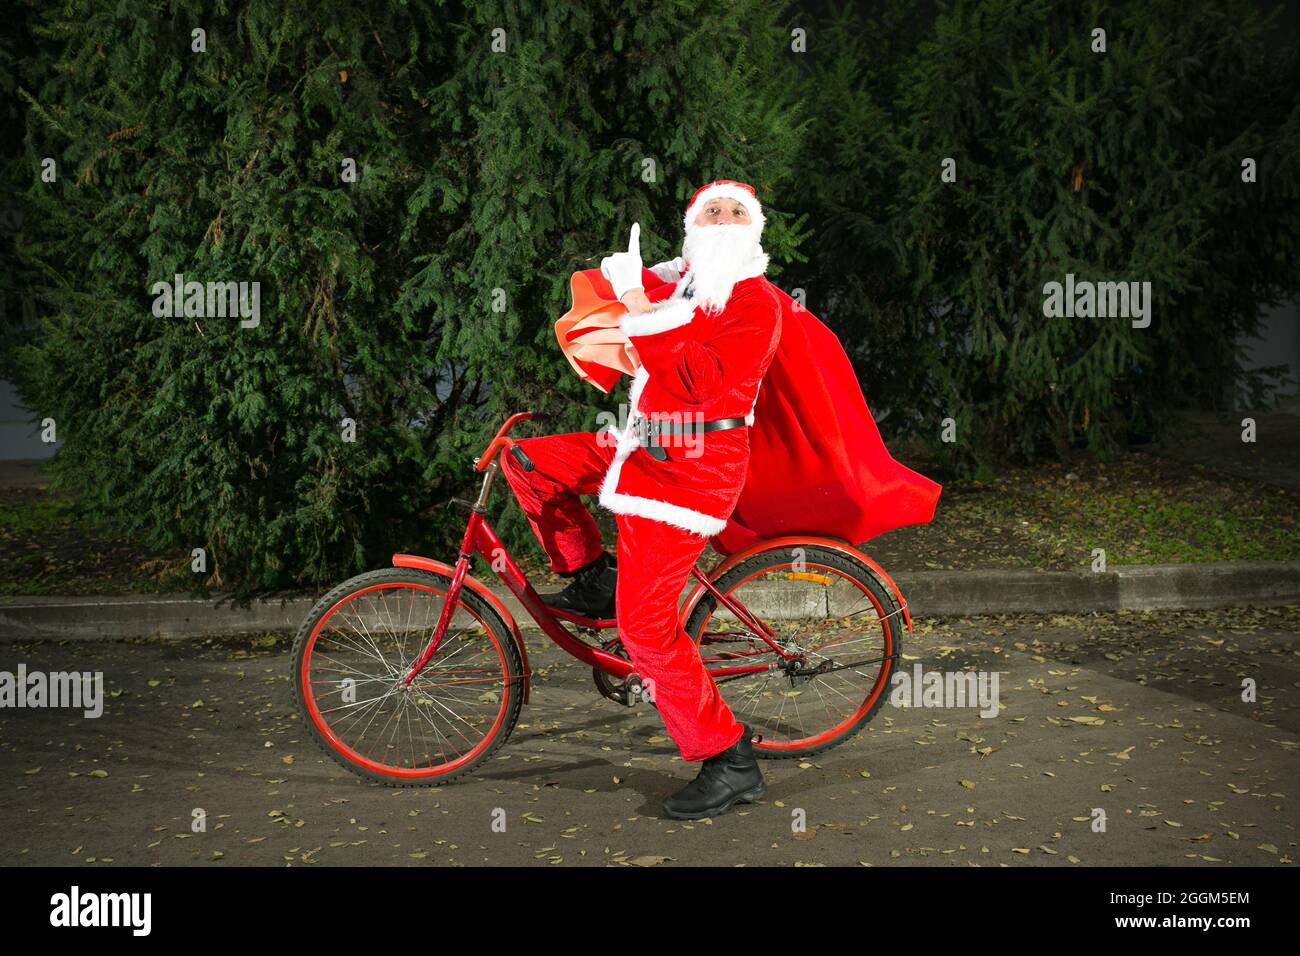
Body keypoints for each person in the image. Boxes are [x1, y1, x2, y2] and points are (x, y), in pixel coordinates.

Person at [499, 180, 782, 820]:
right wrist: (617, 283)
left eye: (737, 212)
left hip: (692, 474)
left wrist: (631, 298)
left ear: (754, 229)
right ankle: (589, 574)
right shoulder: (686, 282)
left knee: (647, 629)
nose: (724, 219)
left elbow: (694, 380)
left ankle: (730, 760)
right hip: (644, 444)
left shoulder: (758, 304)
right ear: (693, 226)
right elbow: (615, 307)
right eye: (712, 210)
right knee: (526, 459)